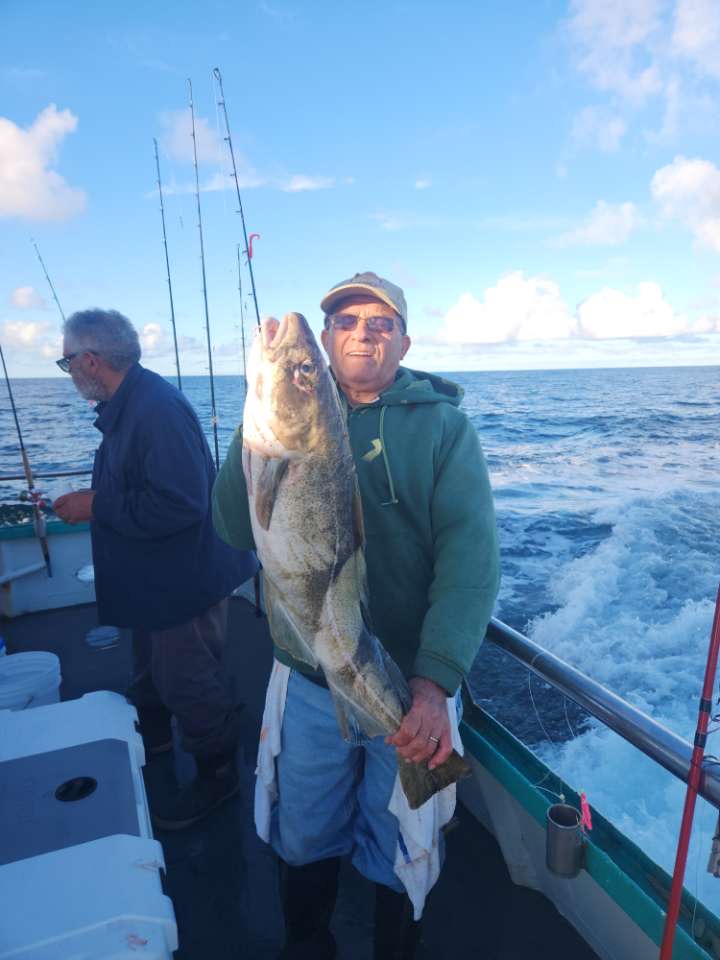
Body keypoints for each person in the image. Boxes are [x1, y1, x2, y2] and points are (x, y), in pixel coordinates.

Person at [212, 272, 500, 958]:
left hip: (408, 684)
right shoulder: (284, 427)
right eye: (344, 323)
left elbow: (472, 561)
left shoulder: (445, 428)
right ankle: (307, 945)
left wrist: (434, 686)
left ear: (404, 339)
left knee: (401, 837)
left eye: (380, 324)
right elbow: (231, 525)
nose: (361, 335)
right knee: (302, 829)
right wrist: (255, 432)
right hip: (306, 673)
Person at [54, 308, 257, 830]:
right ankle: (157, 737)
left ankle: (219, 774)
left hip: (182, 581)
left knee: (188, 678)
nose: (68, 370)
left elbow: (182, 503)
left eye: (66, 361)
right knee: (150, 670)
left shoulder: (156, 410)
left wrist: (95, 505)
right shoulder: (131, 403)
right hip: (157, 579)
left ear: (91, 361)